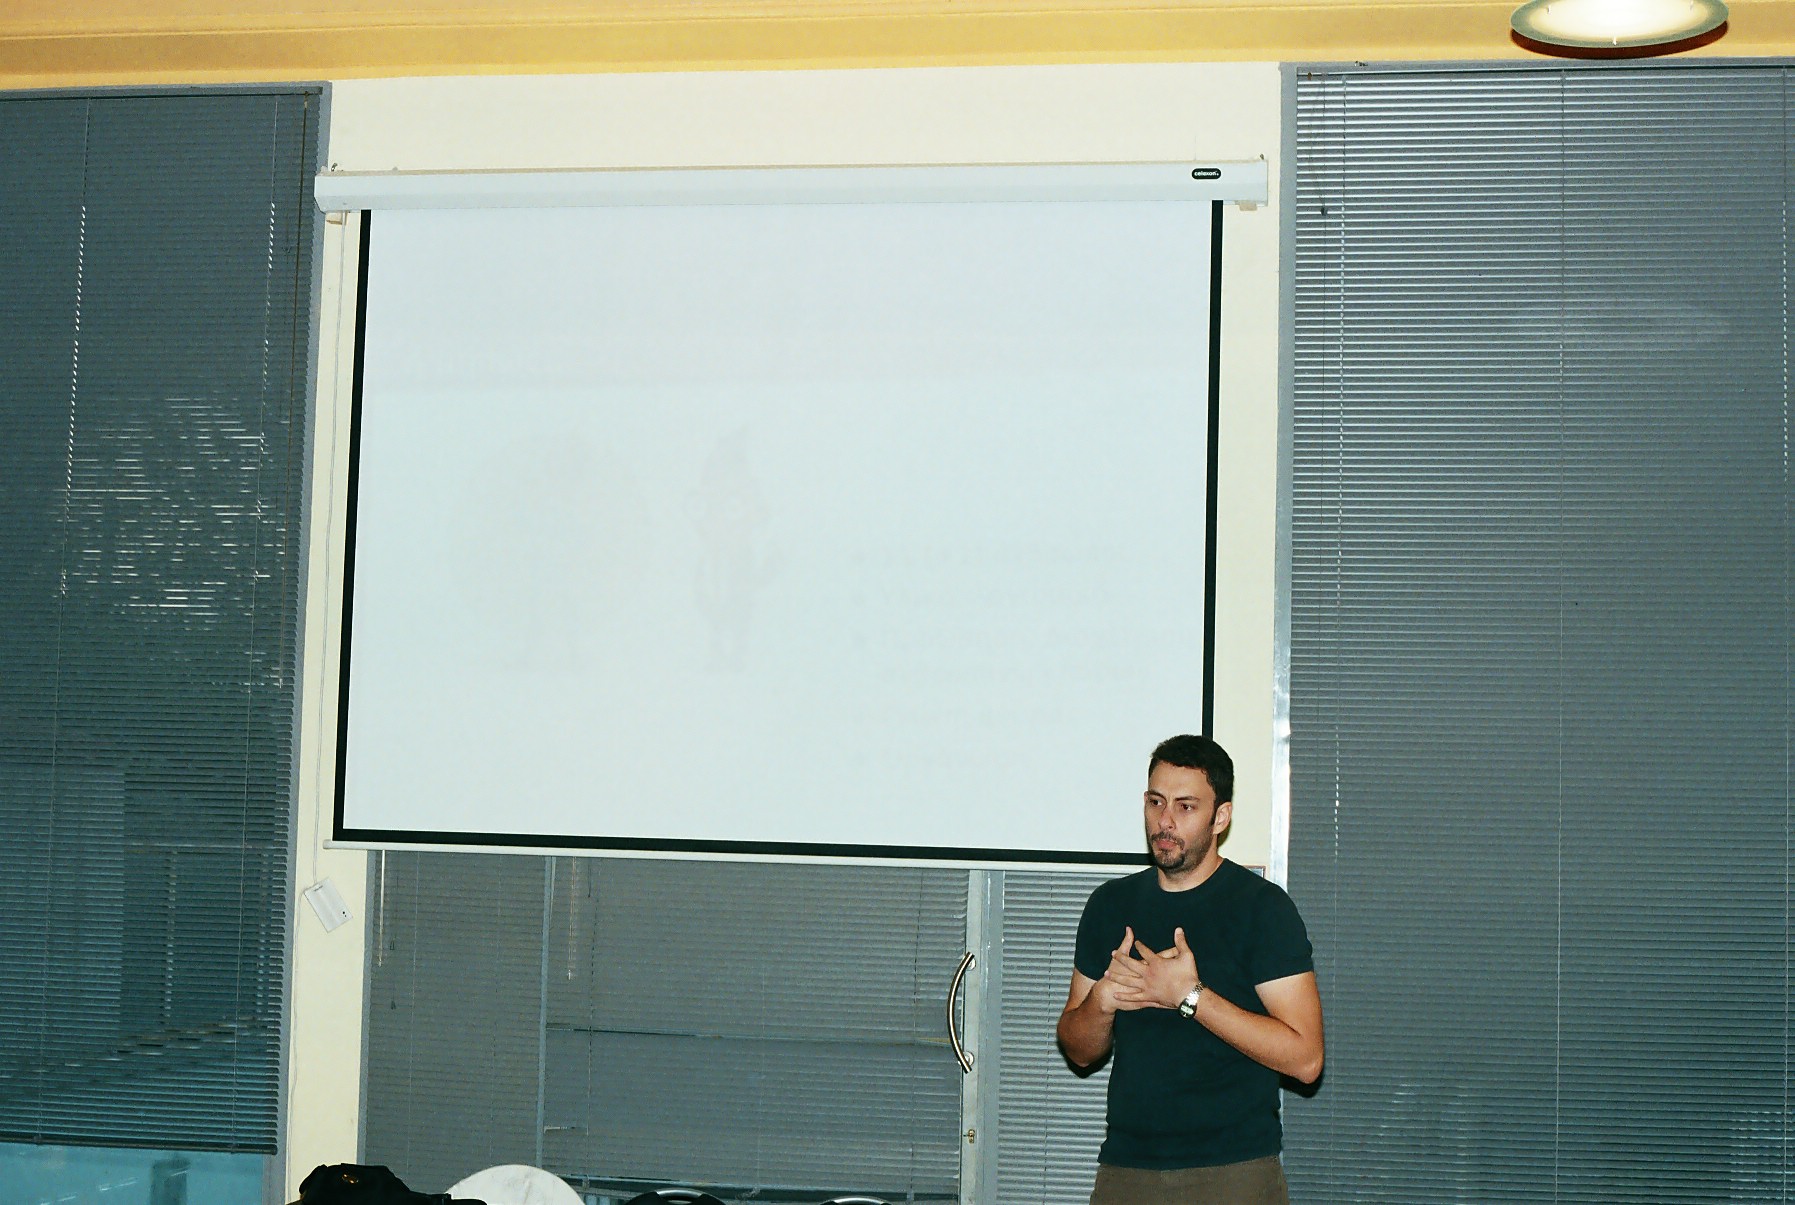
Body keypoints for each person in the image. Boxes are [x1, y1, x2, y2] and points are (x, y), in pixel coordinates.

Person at [1056, 734, 1324, 1205]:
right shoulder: (1109, 905)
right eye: (1156, 802)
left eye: (1185, 807)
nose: (1165, 821)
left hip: (1234, 1172)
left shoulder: (1262, 909)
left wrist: (1190, 997)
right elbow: (1078, 1051)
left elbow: (1306, 1060)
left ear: (1221, 817)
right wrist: (1101, 1002)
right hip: (1126, 1169)